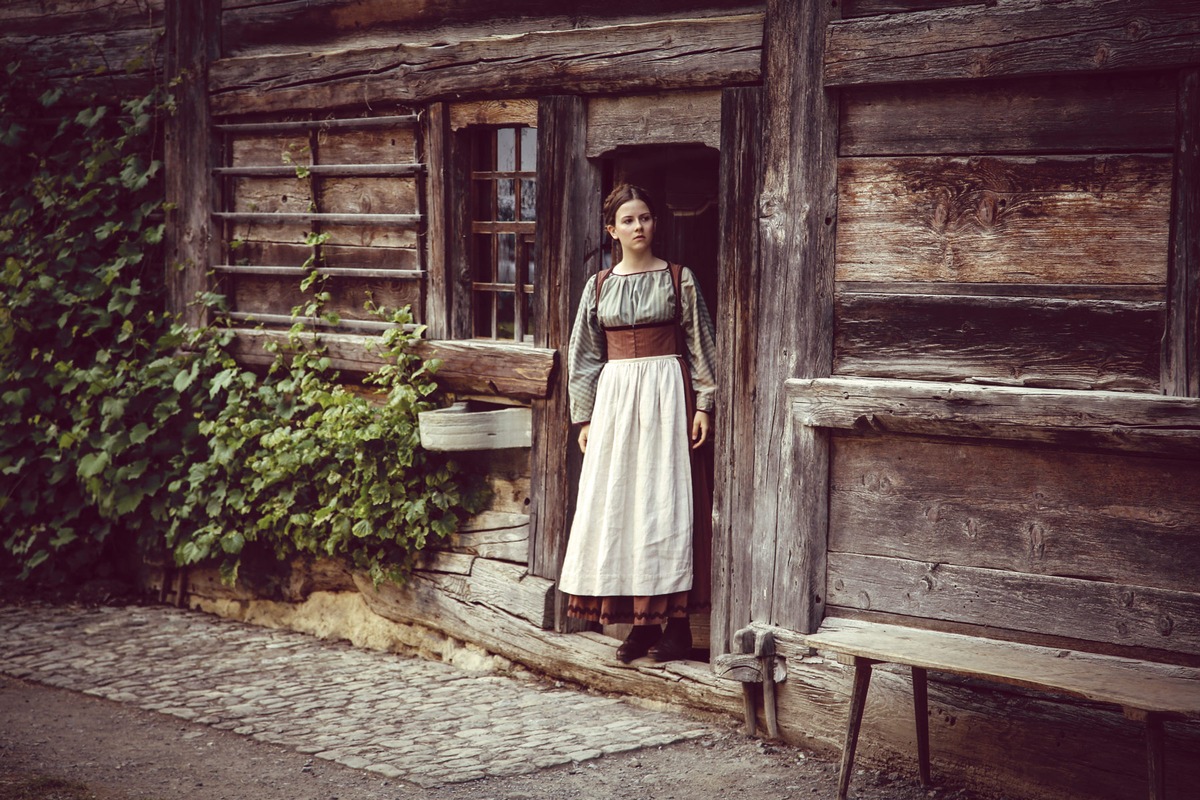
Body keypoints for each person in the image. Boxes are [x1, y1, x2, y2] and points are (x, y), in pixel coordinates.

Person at [559, 183, 718, 663]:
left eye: (645, 218)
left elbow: (701, 346)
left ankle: (677, 627)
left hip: (667, 396)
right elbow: (583, 356)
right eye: (628, 220)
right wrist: (584, 417)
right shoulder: (599, 286)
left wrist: (704, 404)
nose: (639, 227)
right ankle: (639, 626)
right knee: (621, 503)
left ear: (655, 223)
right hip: (615, 403)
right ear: (612, 230)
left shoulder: (678, 279)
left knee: (665, 502)